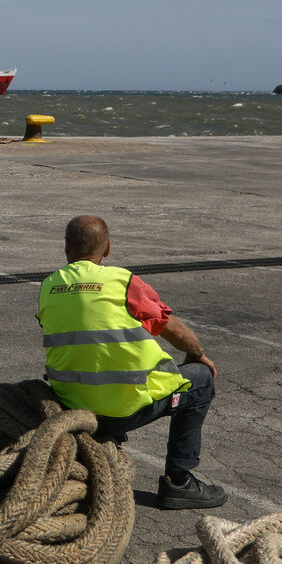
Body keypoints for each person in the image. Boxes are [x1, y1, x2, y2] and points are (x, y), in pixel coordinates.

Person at [36, 215, 226, 509]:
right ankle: (179, 482)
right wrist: (198, 354)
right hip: (122, 410)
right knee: (200, 379)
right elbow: (169, 326)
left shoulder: (49, 285)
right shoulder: (122, 281)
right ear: (108, 248)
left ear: (66, 247)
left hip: (71, 404)